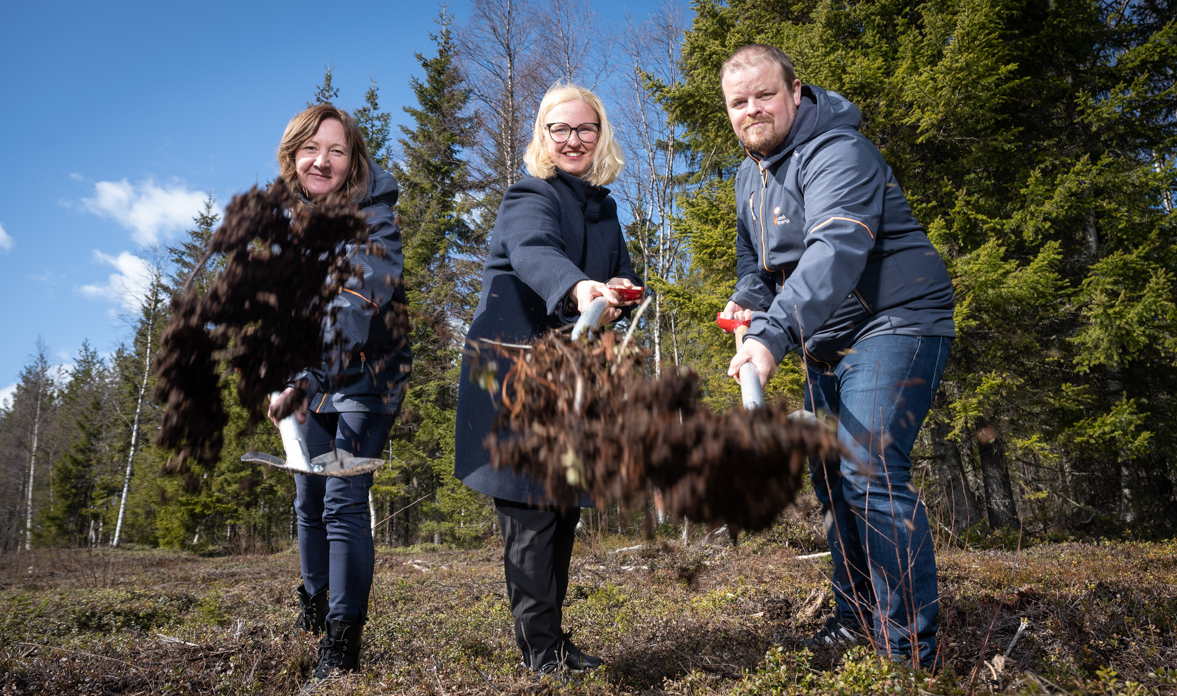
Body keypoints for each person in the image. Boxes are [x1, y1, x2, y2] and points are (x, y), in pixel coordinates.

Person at [719, 45, 955, 671]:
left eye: (764, 95)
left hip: (896, 322)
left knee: (869, 471)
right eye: (738, 103)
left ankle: (911, 653)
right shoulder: (750, 177)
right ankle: (856, 623)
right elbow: (758, 268)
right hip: (827, 340)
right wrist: (747, 308)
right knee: (831, 483)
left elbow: (837, 248)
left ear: (795, 94)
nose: (752, 110)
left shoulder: (839, 152)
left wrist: (771, 337)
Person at [453, 84, 640, 674]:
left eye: (584, 129)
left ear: (601, 135)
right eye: (559, 129)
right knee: (530, 509)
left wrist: (621, 297)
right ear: (543, 137)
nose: (573, 139)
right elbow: (535, 253)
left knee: (563, 507)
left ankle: (551, 642)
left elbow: (621, 278)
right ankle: (539, 653)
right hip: (516, 372)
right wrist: (582, 287)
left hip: (575, 377)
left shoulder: (604, 209)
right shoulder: (527, 195)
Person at [267, 103, 411, 679]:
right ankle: (315, 607)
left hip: (365, 377)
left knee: (342, 500)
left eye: (335, 150)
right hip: (308, 378)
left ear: (353, 161)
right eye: (309, 149)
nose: (320, 161)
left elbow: (355, 306)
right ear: (292, 155)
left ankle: (341, 645)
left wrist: (310, 378)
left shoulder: (376, 221)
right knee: (307, 498)